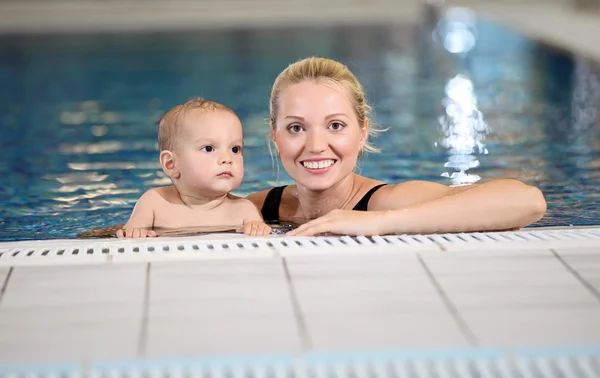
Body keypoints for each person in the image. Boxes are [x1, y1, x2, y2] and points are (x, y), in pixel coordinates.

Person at [247, 57, 547, 236]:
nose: (315, 146)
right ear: (275, 137)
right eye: (296, 128)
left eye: (335, 126)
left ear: (362, 133)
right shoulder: (261, 207)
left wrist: (379, 222)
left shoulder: (386, 202)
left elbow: (528, 201)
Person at [117, 98, 271, 238]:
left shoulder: (244, 210)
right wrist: (135, 232)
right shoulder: (154, 203)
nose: (227, 159)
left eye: (235, 149)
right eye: (209, 148)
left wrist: (257, 228)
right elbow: (129, 235)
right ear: (171, 164)